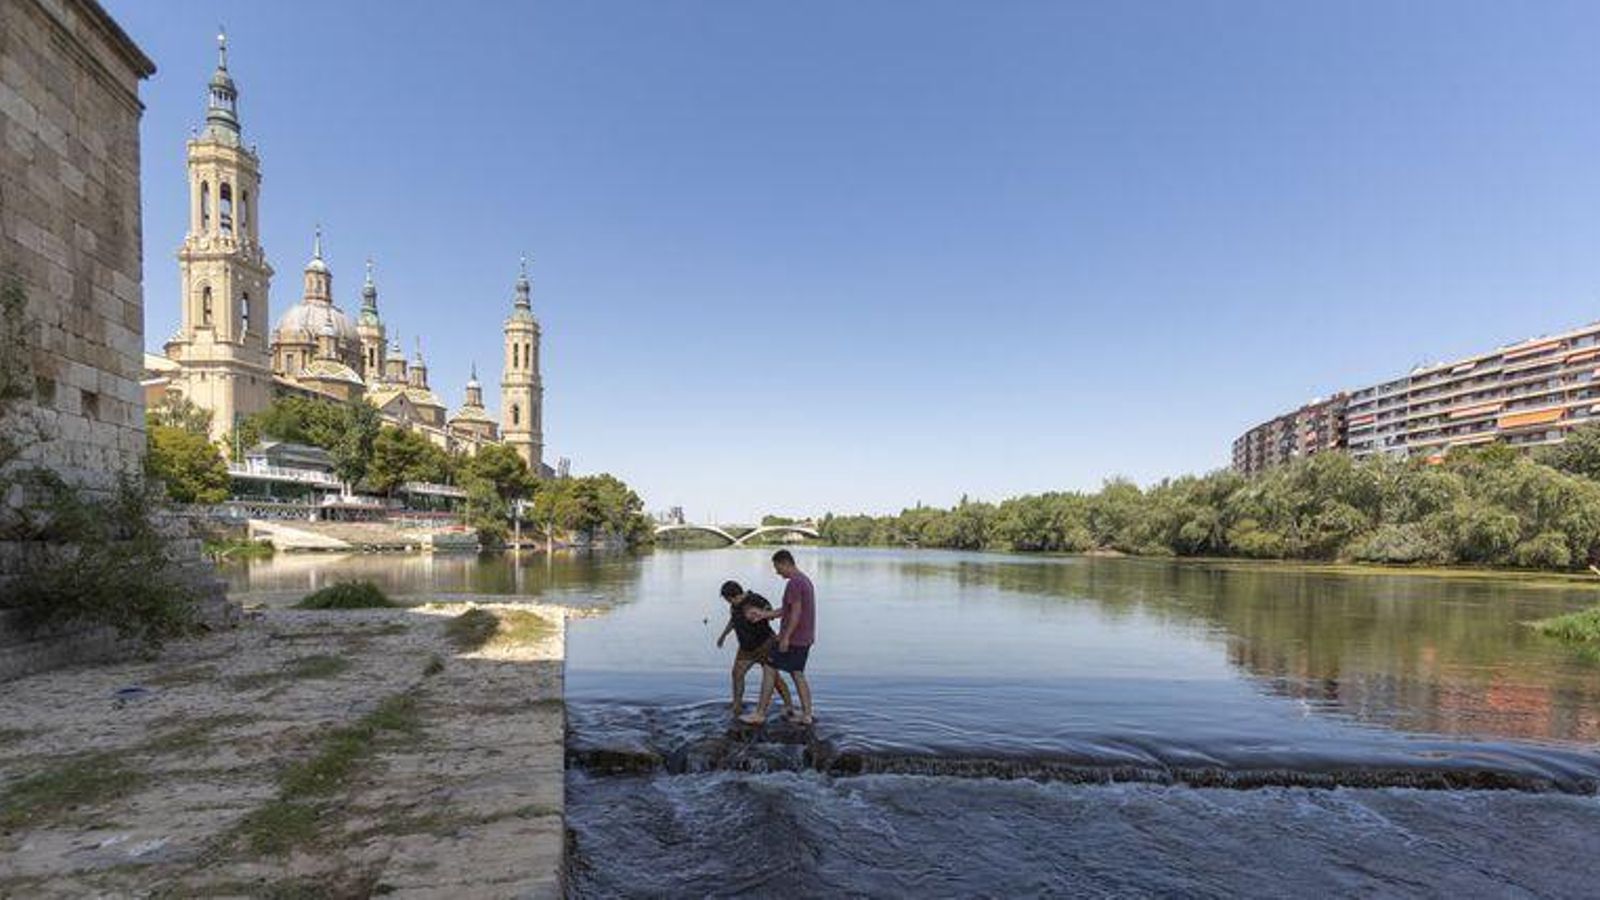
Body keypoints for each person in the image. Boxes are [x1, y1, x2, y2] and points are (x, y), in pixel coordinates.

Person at [739, 549, 816, 726]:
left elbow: (796, 612)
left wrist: (785, 637)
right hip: (805, 637)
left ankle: (759, 714)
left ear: (785, 563)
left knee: (769, 668)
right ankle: (807, 715)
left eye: (777, 567)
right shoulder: (805, 581)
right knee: (797, 674)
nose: (776, 571)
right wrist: (763, 615)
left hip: (794, 638)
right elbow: (786, 611)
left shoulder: (794, 584)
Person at [715, 580, 794, 718]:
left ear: (733, 596)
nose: (728, 603)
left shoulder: (755, 599)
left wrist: (759, 613)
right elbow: (733, 621)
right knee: (737, 674)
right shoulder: (734, 606)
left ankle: (788, 705)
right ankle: (737, 705)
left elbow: (771, 614)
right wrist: (723, 635)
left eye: (728, 599)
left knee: (775, 679)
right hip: (746, 649)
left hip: (765, 644)